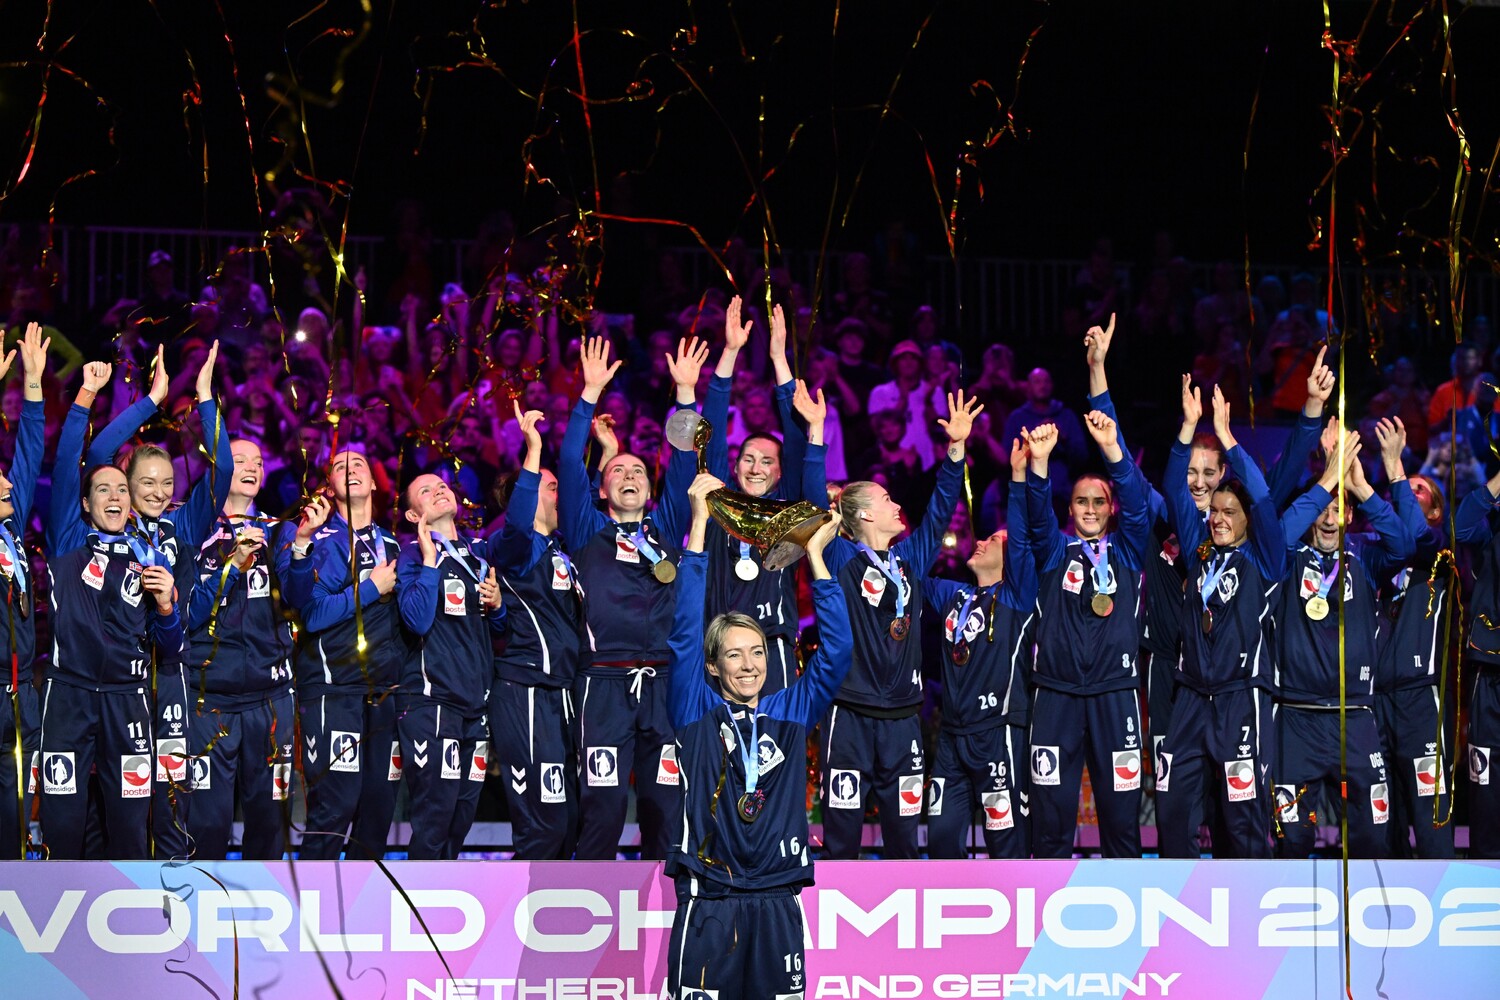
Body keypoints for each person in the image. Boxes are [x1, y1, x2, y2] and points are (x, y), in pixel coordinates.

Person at [666, 473, 848, 1000]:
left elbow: (837, 652)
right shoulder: (695, 709)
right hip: (711, 896)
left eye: (758, 653)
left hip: (776, 894)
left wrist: (816, 559)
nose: (749, 665)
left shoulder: (790, 710)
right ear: (713, 666)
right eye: (734, 654)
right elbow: (684, 633)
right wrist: (699, 525)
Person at [819, 390, 980, 860]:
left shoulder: (909, 559)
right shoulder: (841, 557)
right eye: (887, 499)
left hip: (904, 717)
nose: (896, 506)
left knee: (905, 840)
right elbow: (811, 496)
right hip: (849, 713)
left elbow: (939, 510)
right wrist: (814, 434)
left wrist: (955, 450)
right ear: (864, 513)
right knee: (842, 836)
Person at [84, 342, 230, 858]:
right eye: (145, 482)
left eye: (166, 483)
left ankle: (171, 880)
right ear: (126, 485)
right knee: (125, 800)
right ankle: (121, 884)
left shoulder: (182, 526)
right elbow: (99, 456)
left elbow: (222, 471)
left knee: (170, 793)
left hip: (170, 677)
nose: (157, 491)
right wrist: (151, 401)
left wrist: (206, 398)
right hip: (120, 681)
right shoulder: (109, 524)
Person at [40, 361, 184, 859]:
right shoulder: (68, 540)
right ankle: (54, 905)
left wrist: (165, 607)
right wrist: (92, 397)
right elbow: (71, 460)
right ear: (84, 504)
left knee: (129, 827)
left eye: (122, 489)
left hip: (128, 701)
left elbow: (170, 649)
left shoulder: (150, 558)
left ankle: (130, 904)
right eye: (102, 489)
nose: (116, 495)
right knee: (63, 821)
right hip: (68, 697)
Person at [560, 336, 691, 860]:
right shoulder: (586, 529)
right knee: (605, 806)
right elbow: (569, 464)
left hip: (664, 684)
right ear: (603, 489)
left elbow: (683, 465)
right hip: (603, 685)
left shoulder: (667, 528)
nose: (630, 474)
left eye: (638, 470)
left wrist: (686, 395)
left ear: (650, 490)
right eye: (619, 470)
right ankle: (587, 898)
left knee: (666, 806)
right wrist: (589, 394)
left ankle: (668, 904)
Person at [1155, 379, 1287, 858]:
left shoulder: (1265, 558)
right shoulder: (1199, 552)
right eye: (1213, 511)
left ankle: (1252, 894)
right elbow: (1174, 487)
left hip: (1240, 697)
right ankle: (1178, 890)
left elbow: (1264, 500)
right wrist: (1188, 428)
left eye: (1229, 511)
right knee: (1172, 802)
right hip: (1191, 697)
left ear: (1247, 520)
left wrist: (1227, 436)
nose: (1218, 518)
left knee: (1243, 813)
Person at [1274, 419, 1414, 859]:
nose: (1328, 518)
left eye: (1339, 509)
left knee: (1373, 834)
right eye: (1322, 508)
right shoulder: (1285, 559)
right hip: (1296, 720)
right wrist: (1326, 478)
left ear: (1350, 516)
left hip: (1355, 721)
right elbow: (1279, 532)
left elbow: (1405, 546)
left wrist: (1360, 486)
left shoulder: (1365, 557)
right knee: (1292, 838)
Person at [181, 440, 323, 859]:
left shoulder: (278, 530)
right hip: (210, 700)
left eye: (259, 462)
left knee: (269, 819)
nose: (251, 468)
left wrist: (302, 545)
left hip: (270, 698)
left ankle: (265, 897)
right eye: (239, 460)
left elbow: (298, 599)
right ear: (219, 469)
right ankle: (203, 895)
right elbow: (189, 614)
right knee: (208, 821)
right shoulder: (194, 530)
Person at [1023, 409, 1151, 859]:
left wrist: (1113, 448)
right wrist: (1040, 462)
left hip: (1115, 694)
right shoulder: (1055, 551)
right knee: (1051, 821)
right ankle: (1047, 897)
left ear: (1111, 508)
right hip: (1055, 695)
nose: (1091, 509)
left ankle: (1127, 897)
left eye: (1099, 502)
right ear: (1070, 507)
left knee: (1121, 822)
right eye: (1081, 502)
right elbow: (1037, 518)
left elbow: (1139, 508)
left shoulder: (1128, 551)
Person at [693, 297, 830, 696]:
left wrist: (778, 359)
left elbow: (796, 438)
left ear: (780, 471)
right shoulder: (718, 502)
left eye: (767, 461)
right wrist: (730, 352)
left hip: (775, 650)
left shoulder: (789, 508)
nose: (756, 468)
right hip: (719, 653)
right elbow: (710, 431)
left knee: (777, 736)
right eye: (748, 459)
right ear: (734, 467)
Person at [924, 435, 1037, 859]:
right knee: (940, 839)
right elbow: (910, 569)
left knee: (1005, 844)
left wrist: (1019, 476)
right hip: (952, 740)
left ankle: (1013, 904)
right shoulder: (953, 594)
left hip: (998, 733)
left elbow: (1021, 540)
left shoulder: (1017, 597)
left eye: (994, 540)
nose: (982, 541)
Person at [296, 448, 405, 860]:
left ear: (374, 483)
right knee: (335, 805)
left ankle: (366, 897)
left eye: (359, 464)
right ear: (330, 488)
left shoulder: (393, 543)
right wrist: (372, 588)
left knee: (378, 809)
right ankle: (311, 896)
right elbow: (312, 615)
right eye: (339, 466)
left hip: (383, 694)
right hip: (334, 690)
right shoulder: (322, 542)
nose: (350, 469)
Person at [489, 404, 586, 859]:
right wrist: (534, 451)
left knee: (569, 821)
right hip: (526, 689)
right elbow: (517, 522)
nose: (560, 492)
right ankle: (525, 904)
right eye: (552, 486)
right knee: (542, 823)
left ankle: (560, 901)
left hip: (563, 693)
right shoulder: (514, 546)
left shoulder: (560, 549)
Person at [394, 474, 506, 859]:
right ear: (414, 515)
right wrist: (429, 563)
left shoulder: (478, 555)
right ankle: (418, 894)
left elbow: (498, 629)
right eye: (425, 491)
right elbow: (416, 620)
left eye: (441, 486)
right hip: (433, 702)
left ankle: (442, 889)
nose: (439, 490)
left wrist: (498, 607)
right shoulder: (412, 555)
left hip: (476, 706)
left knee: (462, 816)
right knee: (435, 815)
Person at [1375, 459, 1455, 859]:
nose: (1407, 494)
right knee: (1384, 823)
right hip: (1375, 705)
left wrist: (1394, 469)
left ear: (1436, 510)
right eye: (1403, 490)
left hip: (1422, 704)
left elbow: (1418, 536)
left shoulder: (1440, 553)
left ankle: (1441, 892)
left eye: (1418, 490)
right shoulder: (1375, 560)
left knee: (1430, 818)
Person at [0, 324, 47, 858]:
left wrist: (32, 384)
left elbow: (29, 458)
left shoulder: (10, 531)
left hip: (19, 701)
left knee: (14, 829)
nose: (8, 483)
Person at [1451, 464, 1500, 859]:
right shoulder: (1492, 533)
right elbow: (1461, 526)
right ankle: (1485, 874)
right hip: (1491, 670)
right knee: (1484, 783)